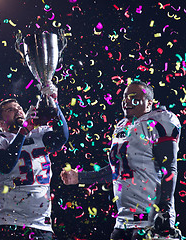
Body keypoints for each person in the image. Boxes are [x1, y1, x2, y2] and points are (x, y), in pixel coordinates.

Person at [60, 81, 184, 240]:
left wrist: (164, 210)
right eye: (125, 97)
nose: (127, 101)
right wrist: (80, 177)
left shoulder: (158, 122)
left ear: (149, 103)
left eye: (134, 97)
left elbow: (170, 168)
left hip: (150, 220)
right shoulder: (122, 127)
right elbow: (116, 170)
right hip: (124, 221)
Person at [0, 81, 69, 240]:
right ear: (0, 123)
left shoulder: (39, 134)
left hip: (42, 224)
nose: (17, 110)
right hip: (9, 223)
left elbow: (62, 137)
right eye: (10, 110)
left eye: (19, 108)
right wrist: (23, 131)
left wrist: (55, 103)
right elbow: (5, 165)